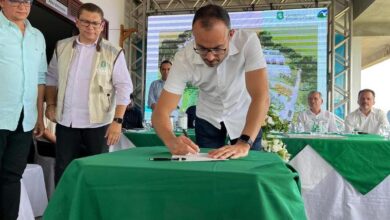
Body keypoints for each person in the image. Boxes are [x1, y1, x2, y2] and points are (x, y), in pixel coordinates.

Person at [152, 4, 269, 159]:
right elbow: (161, 112)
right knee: (207, 171)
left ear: (231, 34)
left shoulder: (247, 42)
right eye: (201, 48)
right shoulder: (184, 58)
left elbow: (261, 96)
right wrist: (171, 140)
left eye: (218, 48)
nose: (210, 56)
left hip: (244, 116)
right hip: (208, 118)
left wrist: (244, 143)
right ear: (194, 36)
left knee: (249, 167)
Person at [45, 3, 133, 183]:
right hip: (66, 122)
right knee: (64, 170)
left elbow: (124, 87)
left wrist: (117, 122)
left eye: (95, 23)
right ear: (77, 22)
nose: (90, 27)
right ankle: (65, 209)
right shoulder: (61, 47)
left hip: (98, 124)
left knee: (98, 172)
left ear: (102, 26)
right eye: (85, 22)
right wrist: (51, 104)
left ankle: (94, 210)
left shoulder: (113, 52)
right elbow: (51, 78)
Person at [0, 0, 47, 219]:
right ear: (2, 2)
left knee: (12, 175)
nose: (22, 6)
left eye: (26, 1)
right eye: (15, 1)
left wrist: (39, 116)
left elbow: (40, 79)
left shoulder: (37, 36)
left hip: (25, 118)